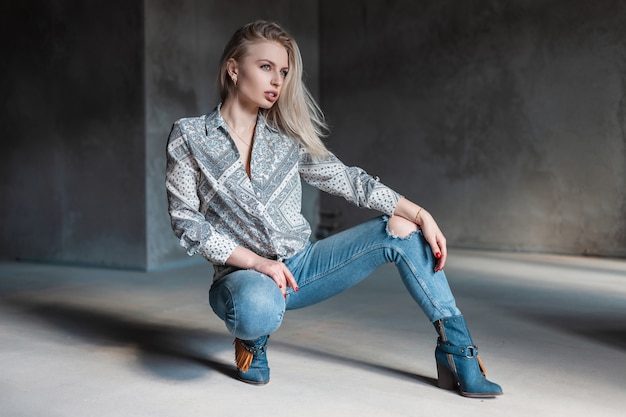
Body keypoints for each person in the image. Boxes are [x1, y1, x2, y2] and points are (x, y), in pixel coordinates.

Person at [165, 20, 502, 398]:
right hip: (242, 278)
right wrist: (257, 263)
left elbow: (349, 180)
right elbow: (186, 222)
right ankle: (252, 341)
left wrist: (421, 213)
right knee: (256, 305)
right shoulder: (191, 135)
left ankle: (458, 351)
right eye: (266, 67)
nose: (277, 80)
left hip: (301, 269)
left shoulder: (285, 139)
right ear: (233, 68)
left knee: (402, 228)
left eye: (284, 72)